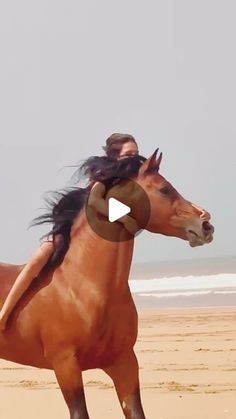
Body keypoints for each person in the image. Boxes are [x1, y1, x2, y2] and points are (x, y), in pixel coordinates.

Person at [0, 133, 142, 330]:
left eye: (136, 152)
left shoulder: (135, 180)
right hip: (71, 225)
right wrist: (125, 217)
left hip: (97, 238)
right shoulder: (105, 175)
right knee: (38, 259)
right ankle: (5, 312)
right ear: (114, 156)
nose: (134, 157)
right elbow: (95, 201)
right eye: (129, 154)